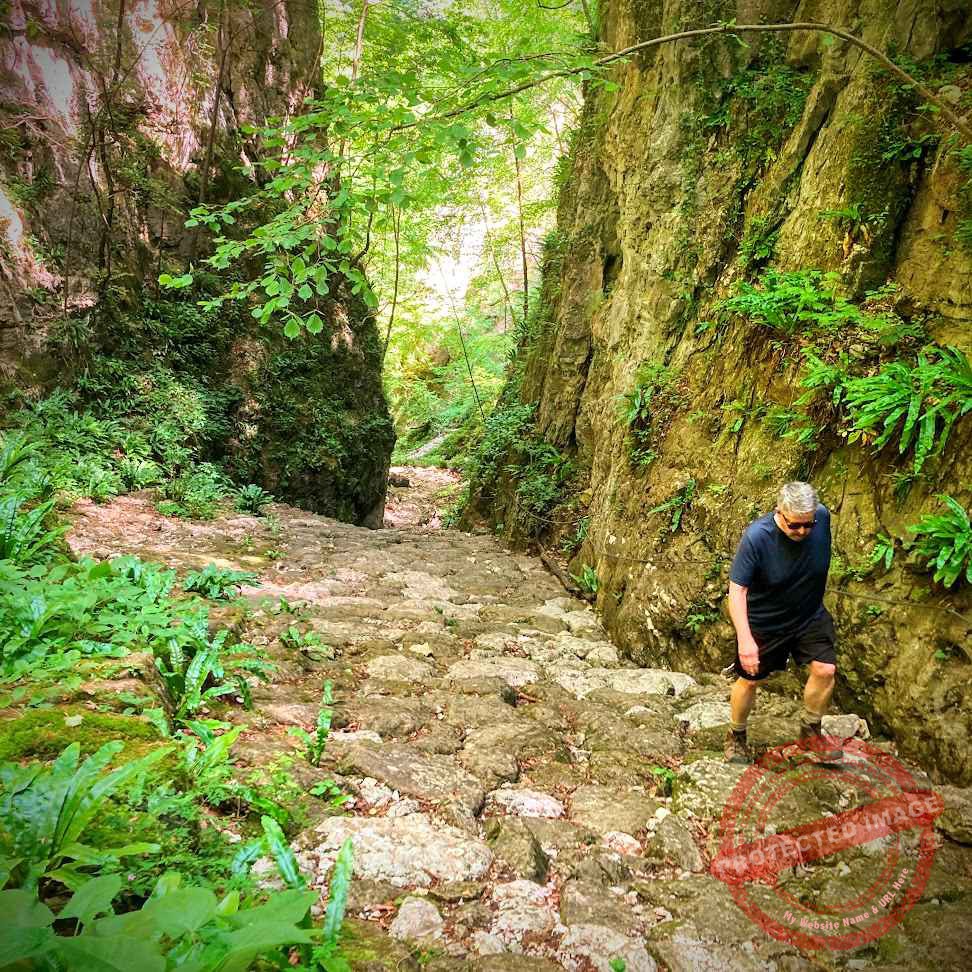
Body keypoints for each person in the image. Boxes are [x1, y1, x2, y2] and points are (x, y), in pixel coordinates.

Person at [724, 481, 841, 764]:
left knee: (826, 669)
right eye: (794, 525)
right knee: (750, 681)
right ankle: (736, 735)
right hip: (766, 621)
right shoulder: (757, 537)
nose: (802, 531)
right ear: (779, 512)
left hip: (808, 614)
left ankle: (810, 731)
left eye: (808, 525)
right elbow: (737, 591)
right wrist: (745, 641)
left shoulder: (822, 517)